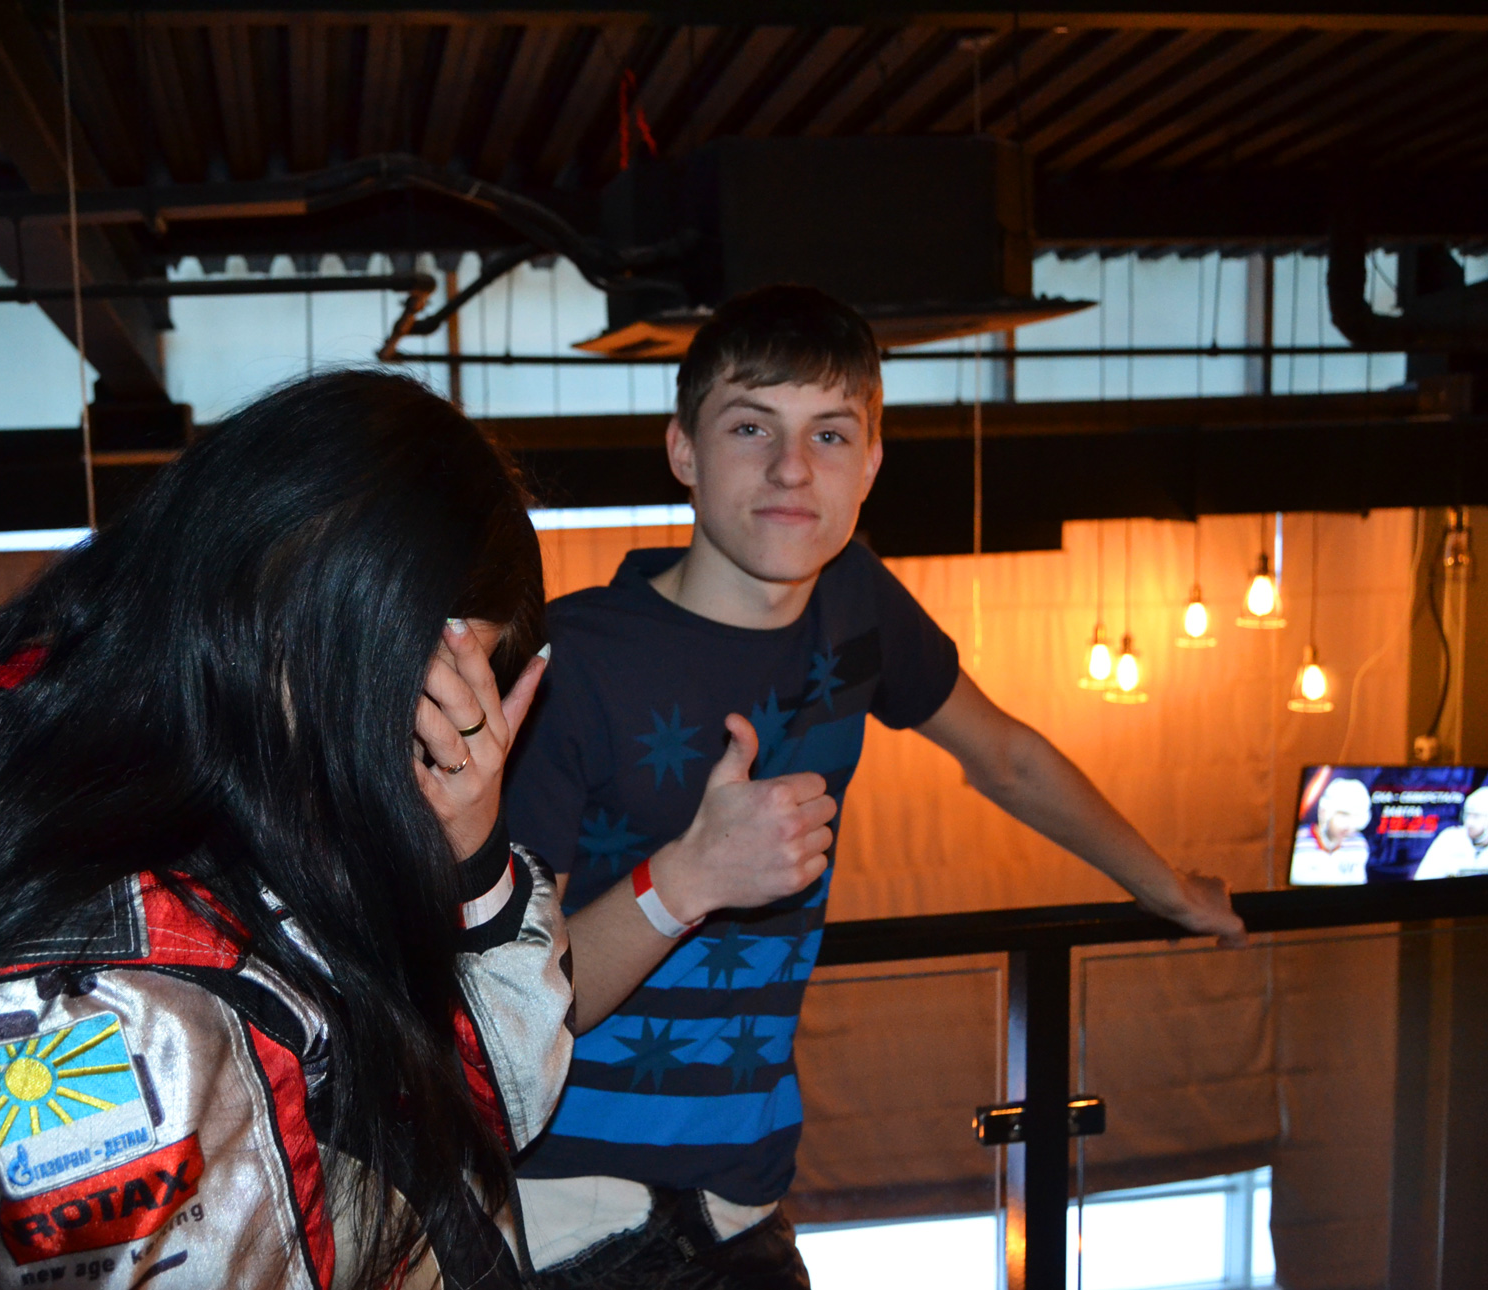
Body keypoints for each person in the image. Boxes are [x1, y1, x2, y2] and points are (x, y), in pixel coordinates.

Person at [503, 286, 1247, 1289]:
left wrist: (1167, 889)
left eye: (830, 434)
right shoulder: (574, 663)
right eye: (751, 427)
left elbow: (1006, 757)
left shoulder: (853, 601)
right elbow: (516, 1005)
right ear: (682, 450)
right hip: (565, 1213)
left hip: (743, 1195)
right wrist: (687, 878)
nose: (791, 469)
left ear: (872, 464)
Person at [0, 371, 573, 1289]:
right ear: (290, 607)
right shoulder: (90, 1005)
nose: (422, 745)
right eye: (415, 694)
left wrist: (472, 864)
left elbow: (489, 1118)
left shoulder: (269, 821)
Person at [1290, 776, 1372, 885]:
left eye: (1356, 816)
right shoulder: (1297, 842)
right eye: (1344, 814)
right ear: (1324, 812)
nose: (1349, 825)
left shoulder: (1359, 844)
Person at [1413, 784, 1488, 879]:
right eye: (1467, 815)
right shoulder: (1449, 839)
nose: (1469, 822)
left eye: (1476, 816)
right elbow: (1423, 879)